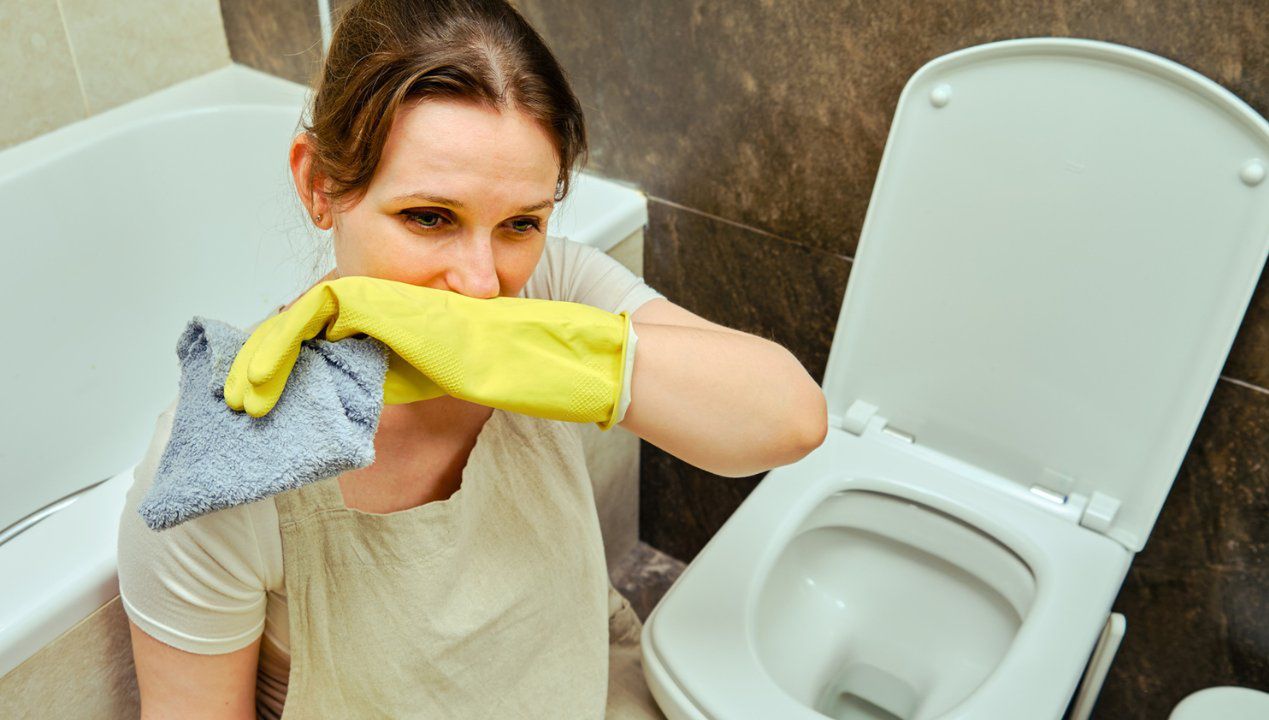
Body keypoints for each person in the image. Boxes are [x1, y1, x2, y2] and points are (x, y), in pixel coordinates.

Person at [116, 0, 829, 717]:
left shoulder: (549, 285)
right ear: (318, 184)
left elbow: (788, 421)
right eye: (429, 217)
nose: (482, 283)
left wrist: (485, 345)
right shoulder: (222, 463)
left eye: (521, 223)